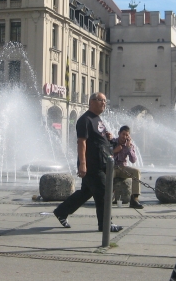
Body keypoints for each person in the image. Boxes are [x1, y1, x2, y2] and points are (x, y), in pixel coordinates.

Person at [54, 93, 123, 232]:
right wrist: (83, 164)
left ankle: (61, 211)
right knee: (104, 193)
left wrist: (109, 137)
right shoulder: (84, 120)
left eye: (105, 100)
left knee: (85, 193)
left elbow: (99, 140)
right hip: (92, 165)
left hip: (101, 163)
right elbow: (82, 142)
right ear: (91, 102)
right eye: (101, 100)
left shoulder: (97, 119)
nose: (104, 103)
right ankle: (105, 224)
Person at [111, 125, 144, 209]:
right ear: (119, 133)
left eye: (127, 135)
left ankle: (134, 199)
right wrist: (115, 151)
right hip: (112, 167)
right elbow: (104, 155)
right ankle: (109, 196)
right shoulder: (112, 142)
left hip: (122, 168)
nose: (124, 136)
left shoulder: (129, 145)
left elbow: (133, 160)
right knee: (109, 173)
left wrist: (129, 148)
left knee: (136, 172)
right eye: (123, 134)